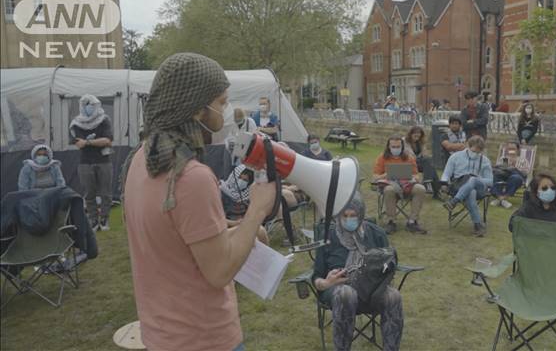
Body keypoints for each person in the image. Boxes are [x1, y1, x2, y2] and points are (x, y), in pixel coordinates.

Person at [121, 53, 276, 351]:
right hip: (205, 338)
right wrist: (257, 210)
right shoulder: (192, 177)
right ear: (196, 109)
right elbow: (219, 271)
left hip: (162, 335)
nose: (225, 111)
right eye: (220, 102)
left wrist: (240, 233)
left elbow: (177, 243)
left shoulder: (141, 159)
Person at [312, 192, 403, 351]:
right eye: (344, 215)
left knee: (393, 296)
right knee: (346, 293)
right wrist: (326, 282)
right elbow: (316, 277)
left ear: (361, 214)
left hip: (371, 291)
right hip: (336, 291)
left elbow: (388, 266)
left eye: (353, 215)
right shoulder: (328, 236)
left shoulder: (376, 234)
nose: (348, 219)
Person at [70, 94, 114, 232]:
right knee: (89, 193)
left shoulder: (104, 119)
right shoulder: (76, 123)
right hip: (85, 163)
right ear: (82, 106)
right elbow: (79, 144)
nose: (90, 108)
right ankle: (93, 220)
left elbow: (107, 140)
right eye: (87, 105)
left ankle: (104, 218)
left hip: (103, 161)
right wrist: (95, 141)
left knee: (105, 193)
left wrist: (88, 141)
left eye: (92, 105)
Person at [373, 135, 427, 234]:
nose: (396, 149)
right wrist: (385, 175)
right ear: (388, 147)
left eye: (398, 147)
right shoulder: (382, 158)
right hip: (390, 186)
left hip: (407, 185)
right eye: (393, 147)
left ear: (402, 147)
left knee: (420, 188)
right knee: (389, 190)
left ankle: (412, 222)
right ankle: (391, 221)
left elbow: (417, 175)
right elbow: (375, 177)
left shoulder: (409, 158)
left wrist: (412, 178)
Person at [440, 136, 493, 237]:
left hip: (479, 188)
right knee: (471, 192)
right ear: (468, 146)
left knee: (472, 180)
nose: (476, 154)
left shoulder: (485, 160)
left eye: (479, 152)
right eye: (474, 151)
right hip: (459, 185)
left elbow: (490, 181)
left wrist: (477, 179)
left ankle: (453, 202)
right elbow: (446, 174)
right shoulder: (455, 157)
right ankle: (478, 225)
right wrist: (444, 184)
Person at [405, 126, 439, 197]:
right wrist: (424, 157)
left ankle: (431, 186)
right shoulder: (405, 141)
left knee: (430, 165)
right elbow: (410, 156)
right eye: (415, 133)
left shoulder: (420, 142)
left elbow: (424, 154)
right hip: (407, 164)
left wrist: (425, 153)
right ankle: (434, 188)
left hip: (417, 163)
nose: (417, 135)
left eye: (419, 133)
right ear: (410, 134)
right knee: (429, 164)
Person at [490, 142, 525, 209]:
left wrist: (514, 166)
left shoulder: (522, 160)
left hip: (515, 176)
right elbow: (498, 169)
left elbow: (524, 173)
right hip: (503, 176)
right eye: (509, 149)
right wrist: (505, 165)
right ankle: (501, 199)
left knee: (516, 177)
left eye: (513, 149)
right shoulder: (503, 158)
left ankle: (502, 198)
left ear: (517, 150)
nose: (511, 150)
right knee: (494, 175)